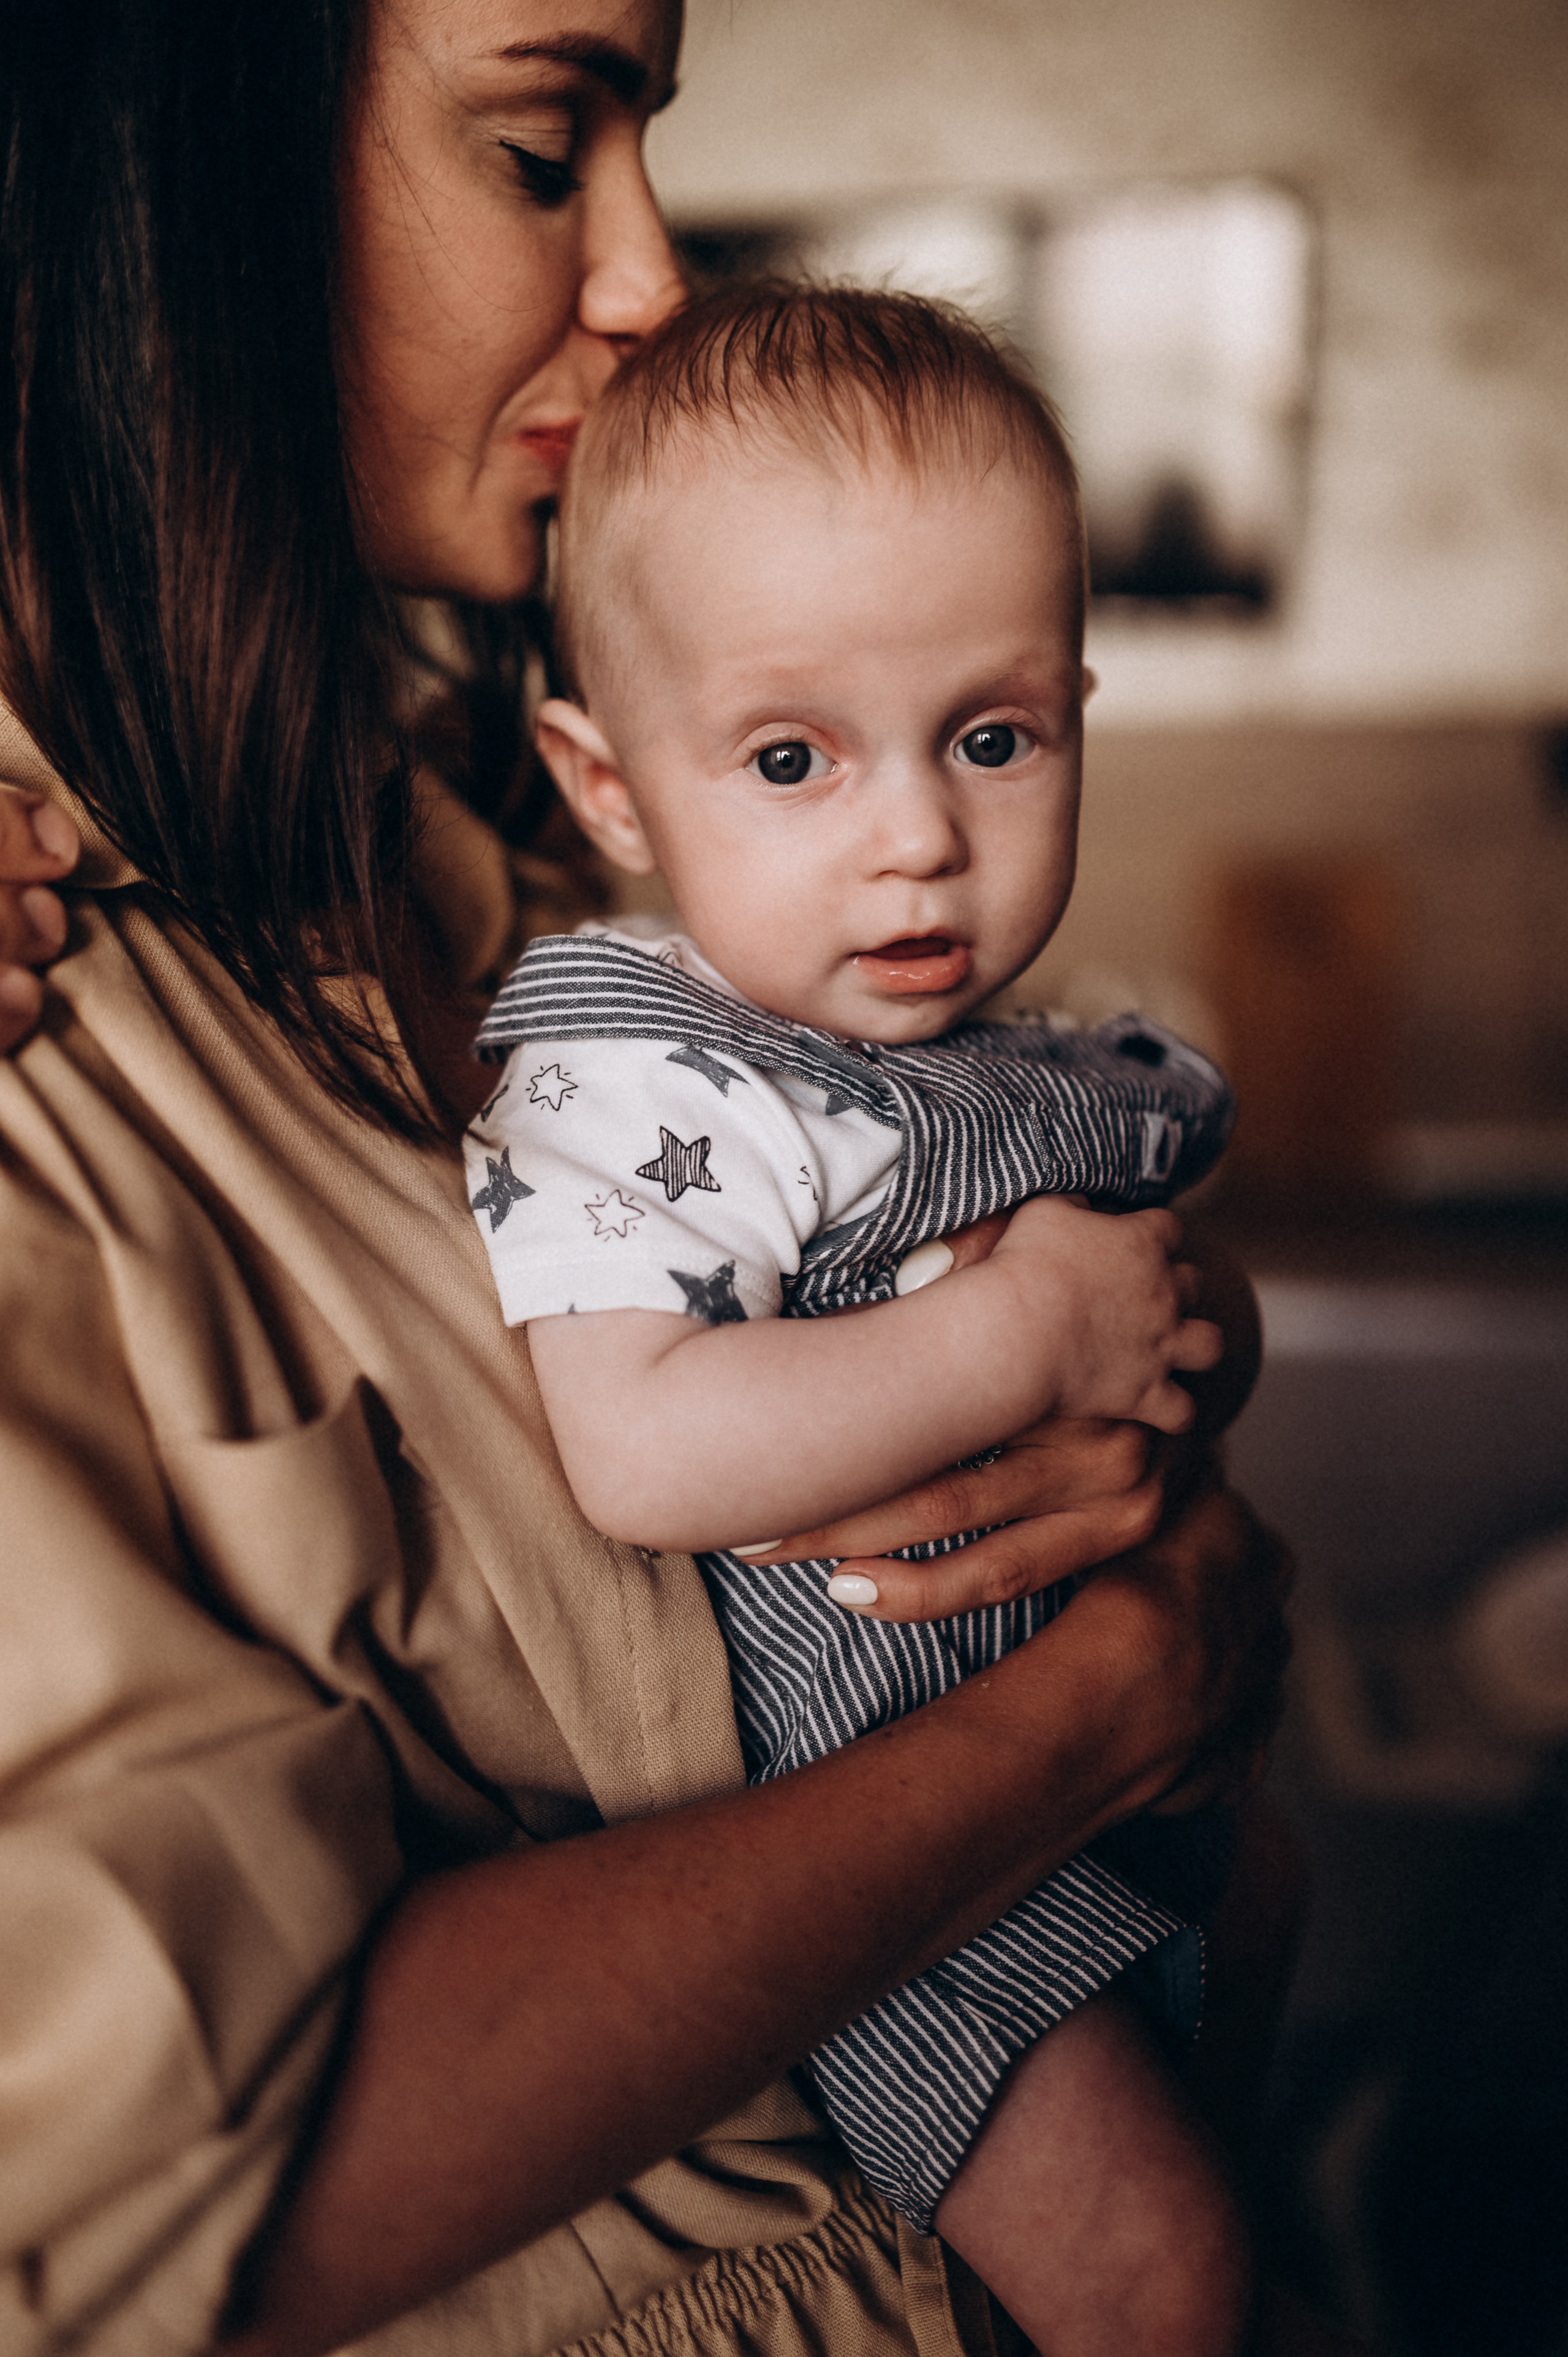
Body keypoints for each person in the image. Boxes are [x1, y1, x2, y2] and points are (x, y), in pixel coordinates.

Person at [0, 4, 1300, 2355]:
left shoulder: (466, 855)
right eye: (536, 142)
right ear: (161, 151)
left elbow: (1038, 1248)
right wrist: (1107, 1703)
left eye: (997, 734)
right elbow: (116, 2196)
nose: (646, 277)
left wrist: (1164, 1426)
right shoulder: (36, 994)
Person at [464, 284, 1252, 2357]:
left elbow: (1156, 1302)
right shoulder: (641, 1071)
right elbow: (638, 1444)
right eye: (793, 758)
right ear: (612, 787)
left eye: (992, 740)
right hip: (889, 1879)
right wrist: (1032, 1350)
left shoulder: (997, 1055)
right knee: (1169, 2285)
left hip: (1089, 1807)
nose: (917, 838)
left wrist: (1179, 1338)